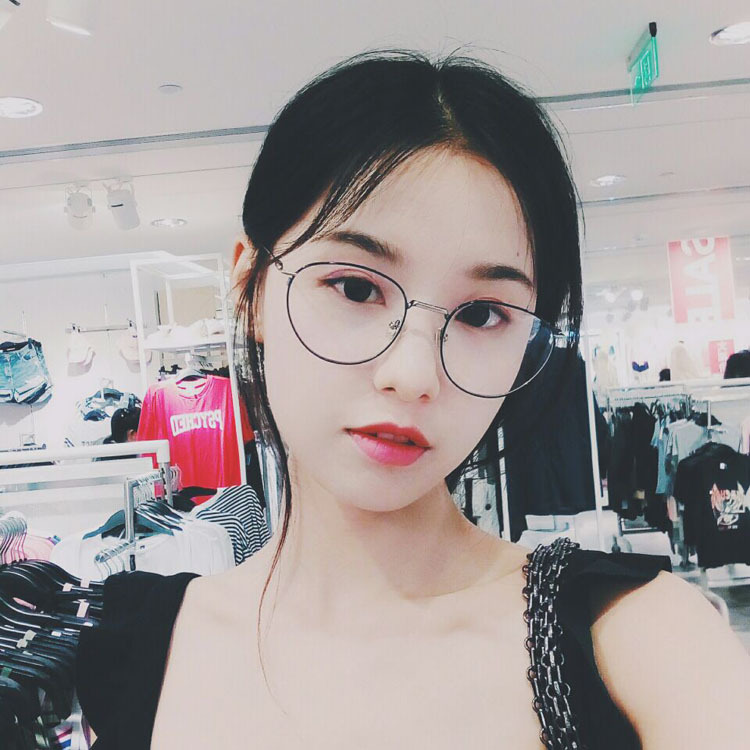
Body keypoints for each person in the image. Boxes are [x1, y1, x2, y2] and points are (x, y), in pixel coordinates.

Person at [75, 51, 750, 749]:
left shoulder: (641, 645)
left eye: (482, 314)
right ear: (250, 285)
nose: (414, 373)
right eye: (356, 288)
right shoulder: (141, 650)